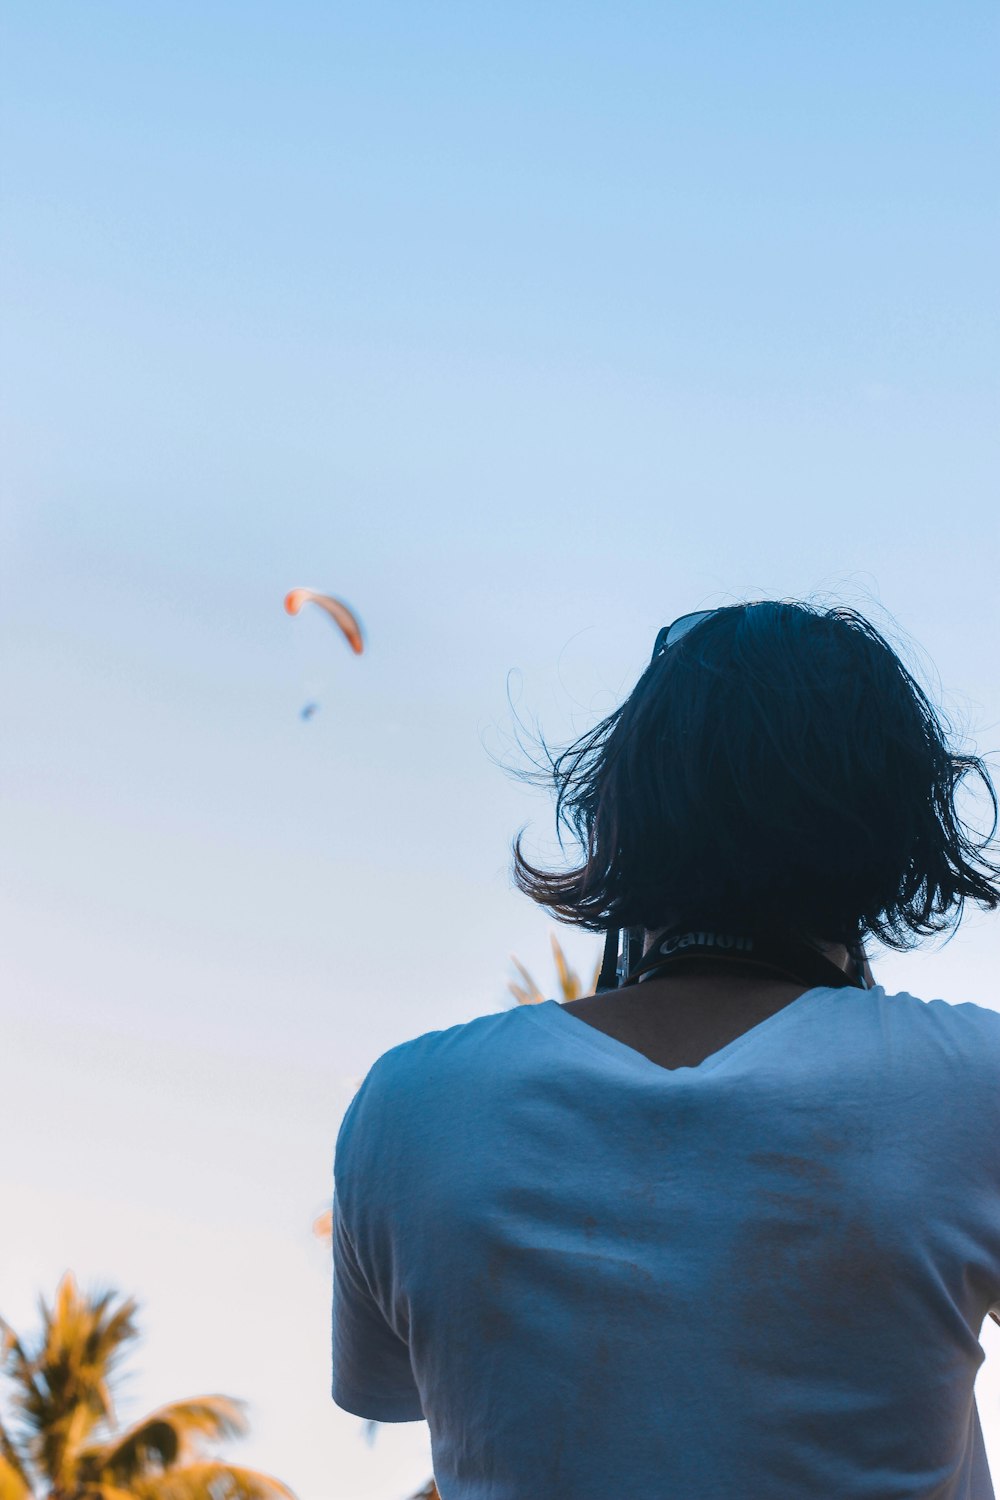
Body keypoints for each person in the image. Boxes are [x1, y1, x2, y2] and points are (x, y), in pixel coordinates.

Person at [331, 600, 1000, 1499]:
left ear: (619, 811)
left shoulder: (412, 1105)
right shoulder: (971, 1084)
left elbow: (408, 1394)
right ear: (895, 834)